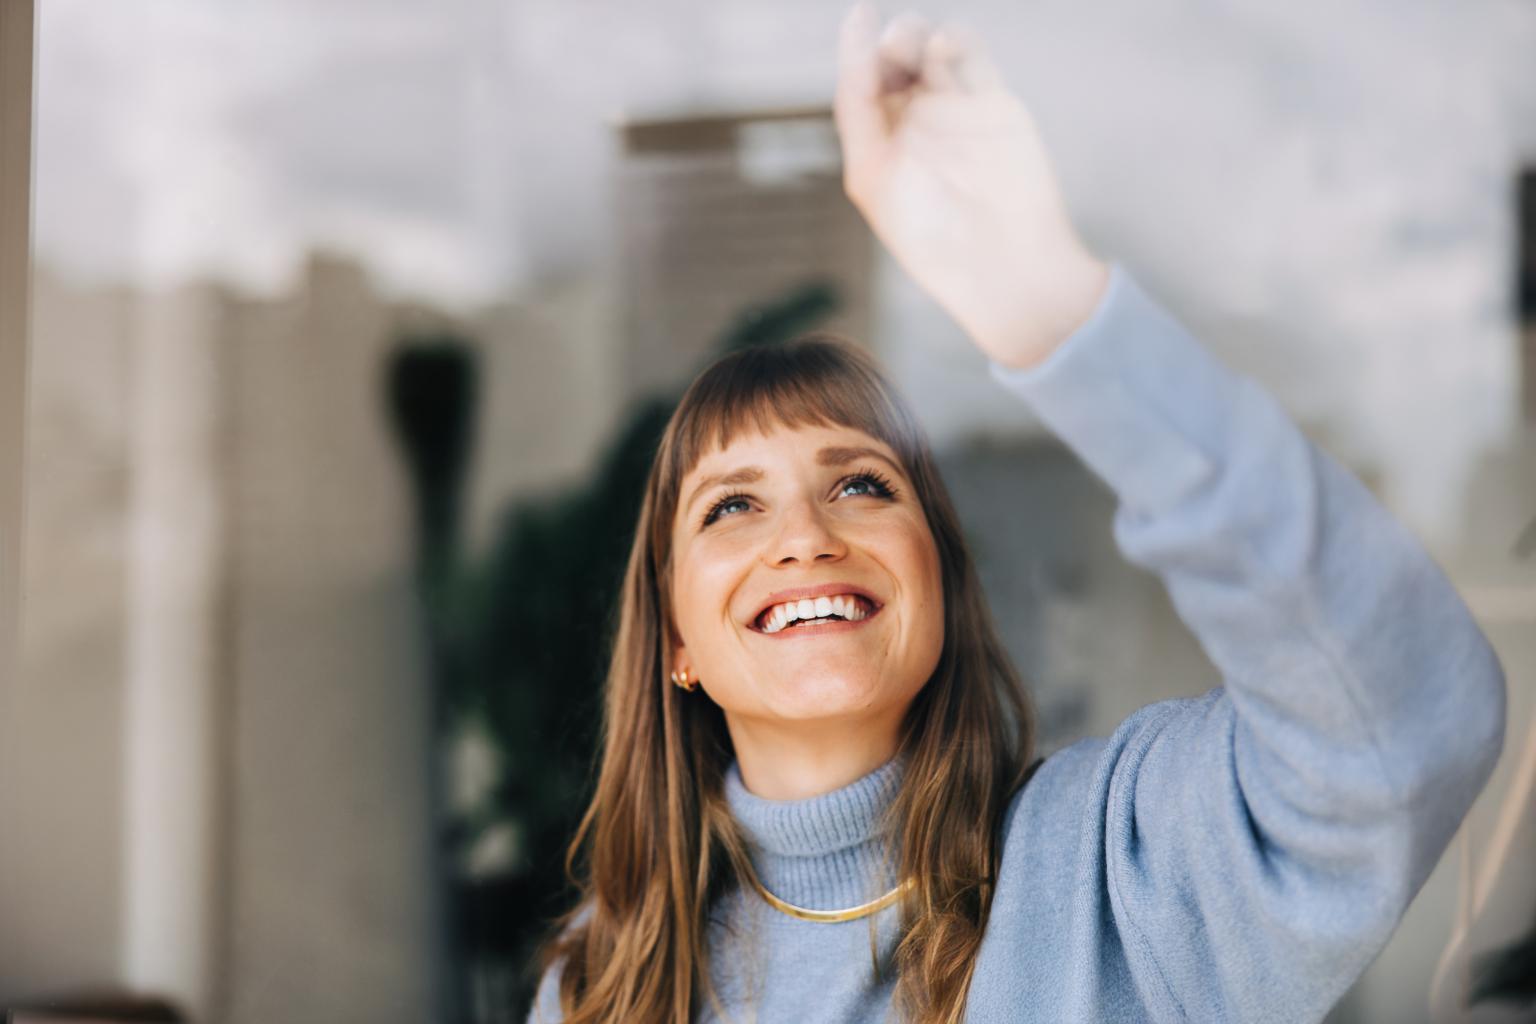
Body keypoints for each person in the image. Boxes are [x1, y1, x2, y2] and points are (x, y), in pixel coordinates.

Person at [527, 5, 1507, 1022]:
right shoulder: (601, 986)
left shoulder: (1118, 868)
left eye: (862, 483)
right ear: (676, 640)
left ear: (940, 575)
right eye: (733, 504)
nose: (806, 536)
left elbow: (1410, 721)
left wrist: (1052, 311)